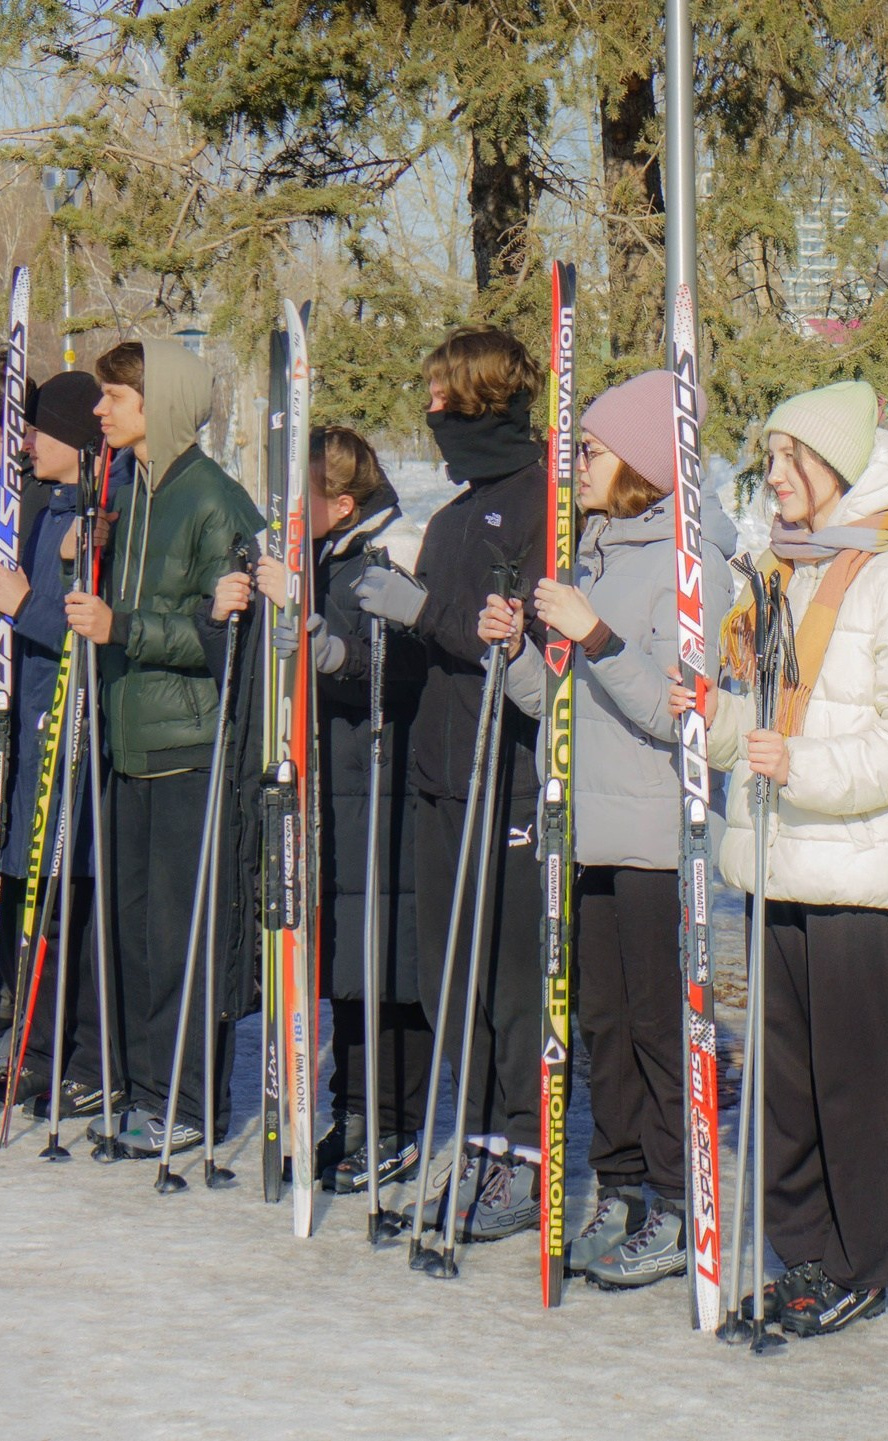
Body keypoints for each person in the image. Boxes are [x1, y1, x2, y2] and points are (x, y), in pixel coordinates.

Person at [671, 378, 888, 1336]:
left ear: (840, 466)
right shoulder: (781, 572)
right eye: (772, 457)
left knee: (854, 1081)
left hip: (859, 872)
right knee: (787, 1078)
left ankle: (863, 1257)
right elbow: (766, 716)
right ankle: (802, 1250)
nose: (777, 474)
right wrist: (711, 718)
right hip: (779, 860)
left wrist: (802, 766)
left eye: (795, 457)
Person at [481, 369, 735, 1288]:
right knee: (602, 1025)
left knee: (657, 1031)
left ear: (640, 461)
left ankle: (677, 1198)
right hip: (589, 830)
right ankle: (622, 1187)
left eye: (590, 449)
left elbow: (682, 716)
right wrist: (515, 650)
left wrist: (598, 639)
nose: (575, 463)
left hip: (659, 841)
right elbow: (556, 709)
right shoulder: (595, 551)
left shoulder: (691, 559)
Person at [356, 328, 547, 1240]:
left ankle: (523, 1153)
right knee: (450, 979)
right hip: (443, 771)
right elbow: (439, 641)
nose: (429, 409)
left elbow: (523, 646)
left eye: (441, 393)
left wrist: (425, 609)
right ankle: (472, 1142)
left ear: (479, 397)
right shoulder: (457, 511)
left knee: (511, 983)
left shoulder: (543, 500)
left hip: (507, 777)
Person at [208, 427, 430, 1192]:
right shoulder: (324, 555)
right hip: (325, 785)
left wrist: (309, 624)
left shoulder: (387, 552)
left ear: (339, 503)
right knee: (343, 954)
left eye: (303, 499)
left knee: (385, 960)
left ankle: (394, 1117)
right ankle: (354, 1108)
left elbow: (395, 670)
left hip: (381, 782)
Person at [64, 338, 263, 1160]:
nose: (99, 410)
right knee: (134, 928)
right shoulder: (131, 490)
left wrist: (125, 628)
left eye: (115, 396)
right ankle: (142, 1084)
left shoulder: (215, 501)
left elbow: (228, 634)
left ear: (162, 402)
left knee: (181, 932)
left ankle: (185, 1098)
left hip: (189, 744)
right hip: (126, 737)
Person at [0, 372, 112, 1117]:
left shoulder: (99, 514)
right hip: (36, 717)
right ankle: (36, 1048)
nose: (28, 443)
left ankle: (79, 1052)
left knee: (67, 890)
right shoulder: (47, 508)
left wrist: (23, 606)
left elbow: (85, 634)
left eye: (40, 431)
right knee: (30, 886)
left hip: (74, 727)